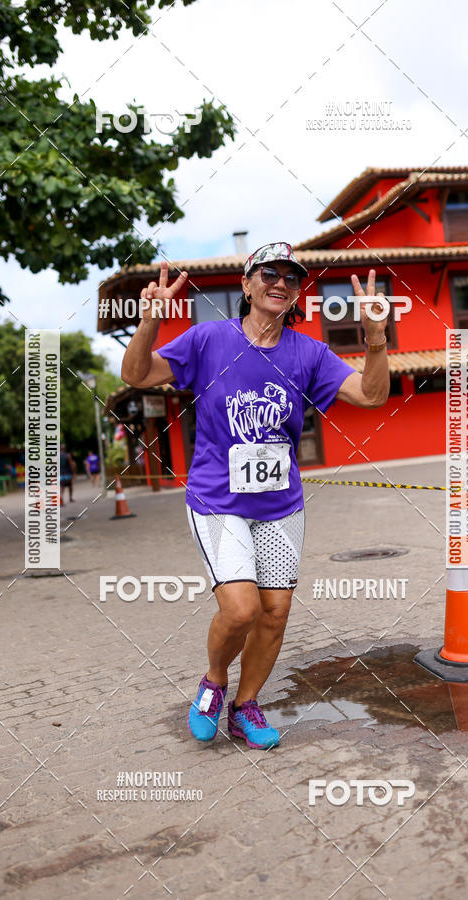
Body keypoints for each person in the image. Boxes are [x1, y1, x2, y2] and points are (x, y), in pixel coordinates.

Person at [121, 242, 390, 750]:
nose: (280, 283)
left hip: (280, 506)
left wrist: (375, 340)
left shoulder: (308, 351)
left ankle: (246, 705)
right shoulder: (207, 341)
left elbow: (372, 395)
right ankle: (214, 683)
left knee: (275, 611)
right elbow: (136, 375)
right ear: (246, 285)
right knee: (241, 609)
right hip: (218, 500)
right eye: (268, 273)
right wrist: (149, 322)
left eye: (291, 277)